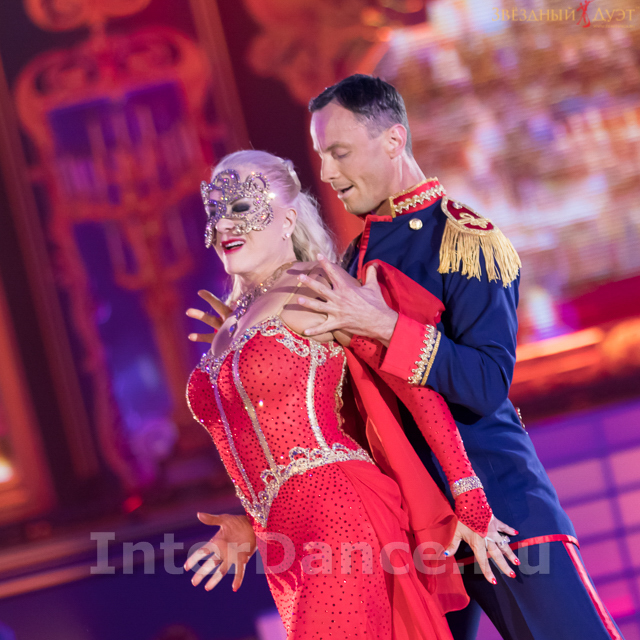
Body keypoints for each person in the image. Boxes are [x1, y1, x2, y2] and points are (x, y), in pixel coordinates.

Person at [290, 74, 623, 640]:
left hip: (499, 508)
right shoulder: (353, 260)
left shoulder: (464, 239)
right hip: (416, 527)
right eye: (322, 156)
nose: (327, 173)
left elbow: (487, 382)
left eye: (339, 153)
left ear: (394, 141)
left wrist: (385, 325)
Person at [182, 150, 518, 640]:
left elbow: (412, 384)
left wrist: (469, 497)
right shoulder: (226, 330)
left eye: (242, 207)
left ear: (287, 220)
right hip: (284, 546)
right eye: (216, 209)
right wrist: (253, 528)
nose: (225, 224)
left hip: (339, 516)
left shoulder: (317, 288)